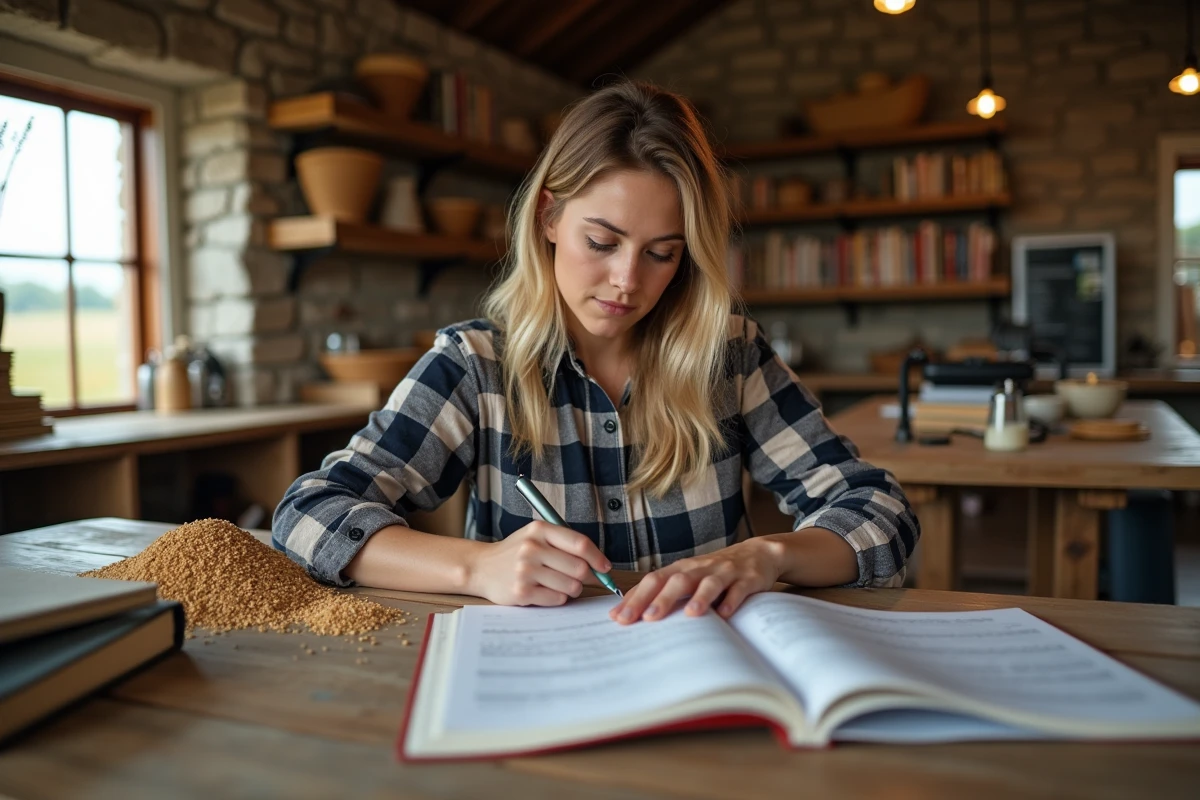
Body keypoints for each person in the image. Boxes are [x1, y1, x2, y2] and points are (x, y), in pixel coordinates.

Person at [272, 81, 919, 624]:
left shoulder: (731, 358)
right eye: (602, 242)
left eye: (662, 253)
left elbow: (879, 512)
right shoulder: (475, 365)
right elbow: (310, 513)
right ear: (549, 218)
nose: (627, 282)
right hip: (540, 683)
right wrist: (477, 567)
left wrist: (769, 556)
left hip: (710, 672)